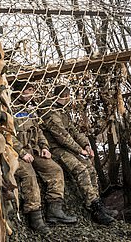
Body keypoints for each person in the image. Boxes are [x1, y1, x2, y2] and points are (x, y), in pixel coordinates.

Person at [41, 84, 115, 225]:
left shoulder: (63, 111)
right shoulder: (49, 112)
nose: (69, 99)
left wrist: (86, 145)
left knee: (90, 169)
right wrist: (79, 150)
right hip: (56, 149)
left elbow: (74, 131)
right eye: (67, 96)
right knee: (80, 169)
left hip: (67, 148)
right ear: (64, 96)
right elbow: (62, 136)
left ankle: (98, 204)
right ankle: (95, 209)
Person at [12, 84, 77, 235]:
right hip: (17, 153)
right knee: (29, 176)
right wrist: (21, 152)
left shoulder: (31, 108)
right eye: (28, 90)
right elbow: (7, 134)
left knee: (55, 170)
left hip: (34, 151)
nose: (31, 94)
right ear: (19, 91)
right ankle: (35, 218)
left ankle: (55, 210)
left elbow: (39, 131)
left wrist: (45, 147)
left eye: (32, 91)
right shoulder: (9, 108)